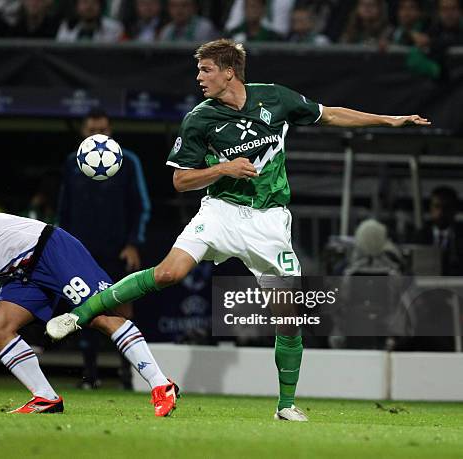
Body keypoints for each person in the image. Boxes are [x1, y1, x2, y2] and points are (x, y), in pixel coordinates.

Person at [47, 38, 431, 421]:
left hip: (269, 221)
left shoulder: (275, 99)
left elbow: (329, 114)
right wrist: (223, 170)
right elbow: (181, 181)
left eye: (206, 70)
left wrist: (390, 120)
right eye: (199, 70)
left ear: (229, 72)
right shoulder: (200, 118)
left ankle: (285, 406)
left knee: (290, 318)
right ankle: (80, 315)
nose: (199, 77)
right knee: (168, 273)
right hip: (220, 213)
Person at [0, 212, 178, 416]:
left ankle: (161, 385)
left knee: (101, 316)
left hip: (50, 248)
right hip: (24, 273)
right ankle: (46, 398)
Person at [58, 109, 151, 389]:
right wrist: (63, 249)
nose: (98, 137)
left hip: (118, 250)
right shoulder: (72, 163)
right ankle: (90, 376)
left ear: (111, 131)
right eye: (91, 131)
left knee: (122, 311)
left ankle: (127, 376)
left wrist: (134, 243)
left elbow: (141, 205)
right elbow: (64, 210)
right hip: (82, 252)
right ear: (82, 133)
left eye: (103, 131)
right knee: (85, 311)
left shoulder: (128, 161)